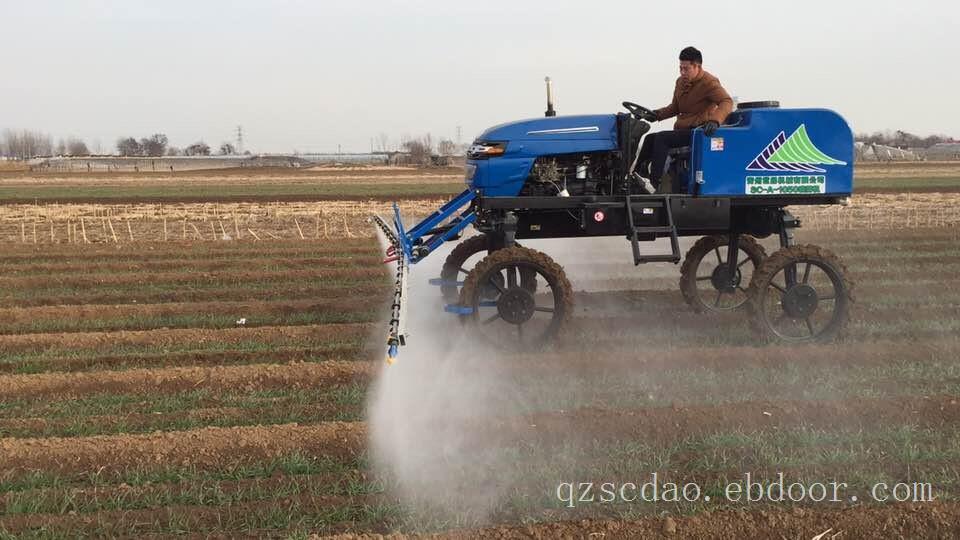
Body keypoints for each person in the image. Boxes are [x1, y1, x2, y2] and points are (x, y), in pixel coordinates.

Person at [634, 46, 733, 192]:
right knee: (650, 138)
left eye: (686, 69)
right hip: (681, 130)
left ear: (697, 66)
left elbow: (726, 101)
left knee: (662, 138)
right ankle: (636, 177)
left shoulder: (709, 83)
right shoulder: (680, 82)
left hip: (696, 132)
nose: (682, 72)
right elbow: (675, 107)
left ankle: (654, 184)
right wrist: (655, 115)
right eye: (680, 68)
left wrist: (715, 120)